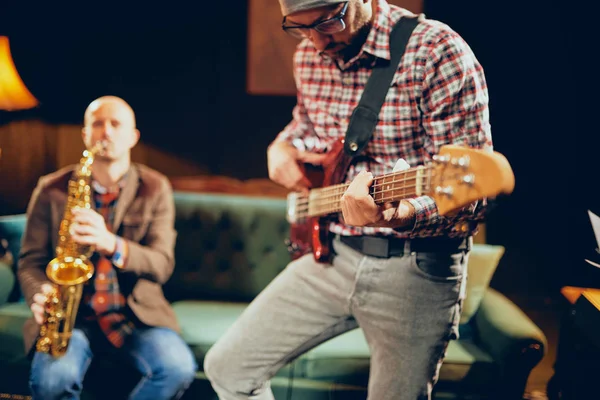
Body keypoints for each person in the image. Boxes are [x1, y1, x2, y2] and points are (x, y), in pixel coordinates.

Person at [204, 0, 492, 399]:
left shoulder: (437, 51)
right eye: (299, 27)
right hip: (332, 254)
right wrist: (283, 146)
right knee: (228, 367)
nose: (318, 43)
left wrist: (401, 213)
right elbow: (309, 122)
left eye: (328, 22)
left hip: (417, 268)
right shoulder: (308, 53)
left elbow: (469, 202)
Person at [18, 96, 197, 400]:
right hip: (70, 319)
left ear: (133, 137)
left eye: (116, 124)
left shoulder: (155, 187)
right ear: (85, 135)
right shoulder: (51, 188)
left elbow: (162, 263)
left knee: (177, 369)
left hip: (135, 317)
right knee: (51, 382)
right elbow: (29, 262)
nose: (107, 132)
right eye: (98, 124)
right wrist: (41, 294)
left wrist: (110, 243)